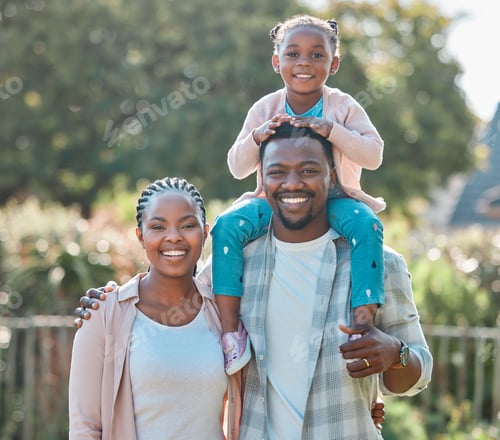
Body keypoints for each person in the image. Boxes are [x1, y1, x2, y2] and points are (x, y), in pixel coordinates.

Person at [76, 123, 430, 439]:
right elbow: (173, 301)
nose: (292, 183)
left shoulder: (380, 265)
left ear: (332, 177)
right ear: (263, 180)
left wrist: (395, 356)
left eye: (308, 170)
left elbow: (415, 374)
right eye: (278, 171)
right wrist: (111, 303)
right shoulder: (231, 266)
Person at [211, 14, 386, 375]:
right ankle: (231, 333)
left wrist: (334, 130)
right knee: (226, 226)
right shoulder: (265, 108)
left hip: (337, 198)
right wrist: (258, 136)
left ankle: (362, 323)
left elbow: (374, 154)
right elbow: (236, 166)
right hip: (272, 202)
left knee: (367, 227)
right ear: (277, 62)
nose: (304, 63)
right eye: (292, 54)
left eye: (317, 55)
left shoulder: (343, 106)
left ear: (333, 63)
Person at [68, 177, 241, 440]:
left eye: (187, 225)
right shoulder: (103, 316)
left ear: (205, 234)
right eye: (158, 227)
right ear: (141, 236)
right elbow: (85, 429)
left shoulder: (221, 313)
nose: (173, 236)